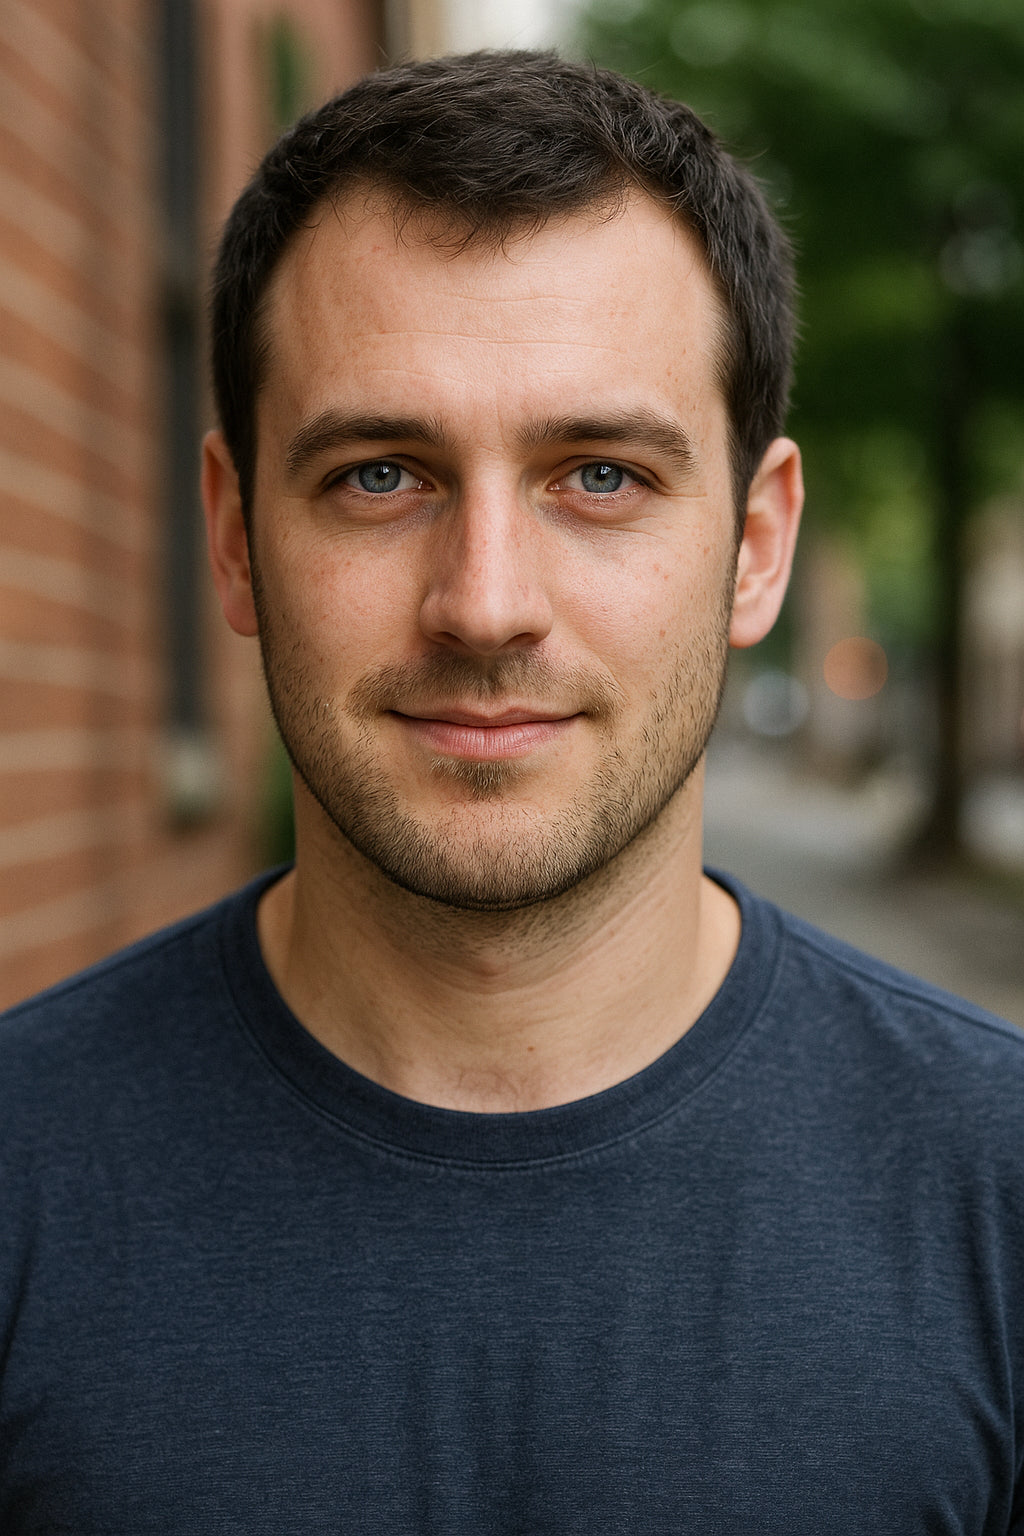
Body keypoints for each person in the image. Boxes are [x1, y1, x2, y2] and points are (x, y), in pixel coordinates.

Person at [0, 50, 1021, 1535]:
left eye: (599, 476)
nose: (486, 607)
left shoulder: (994, 1195)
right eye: (379, 475)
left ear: (756, 545)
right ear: (232, 537)